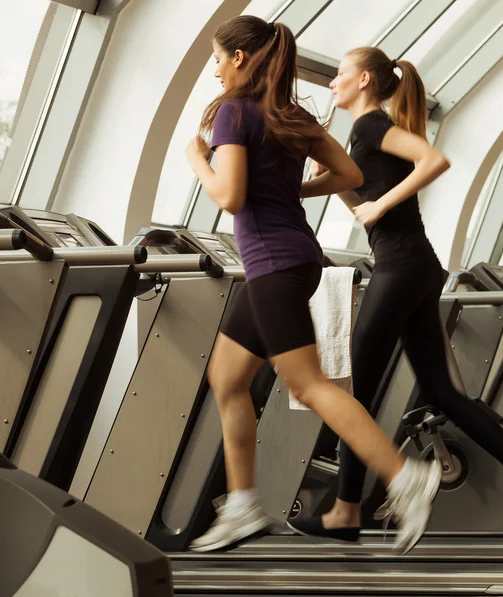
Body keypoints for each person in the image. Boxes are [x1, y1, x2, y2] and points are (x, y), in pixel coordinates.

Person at [185, 16, 443, 554]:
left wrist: (199, 161)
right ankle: (242, 505)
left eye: (215, 59)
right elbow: (350, 176)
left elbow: (229, 197)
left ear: (237, 58)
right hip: (293, 257)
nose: (213, 70)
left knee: (307, 384)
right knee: (227, 377)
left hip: (274, 262)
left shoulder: (232, 113)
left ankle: (405, 476)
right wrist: (288, 190)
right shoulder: (292, 115)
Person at [287, 47, 503, 544]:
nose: (332, 83)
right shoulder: (359, 134)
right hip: (414, 266)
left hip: (402, 266)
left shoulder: (371, 126)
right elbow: (358, 195)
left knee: (355, 397)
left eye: (340, 74)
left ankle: (346, 511)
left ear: (364, 80)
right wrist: (309, 192)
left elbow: (434, 160)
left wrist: (380, 205)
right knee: (439, 389)